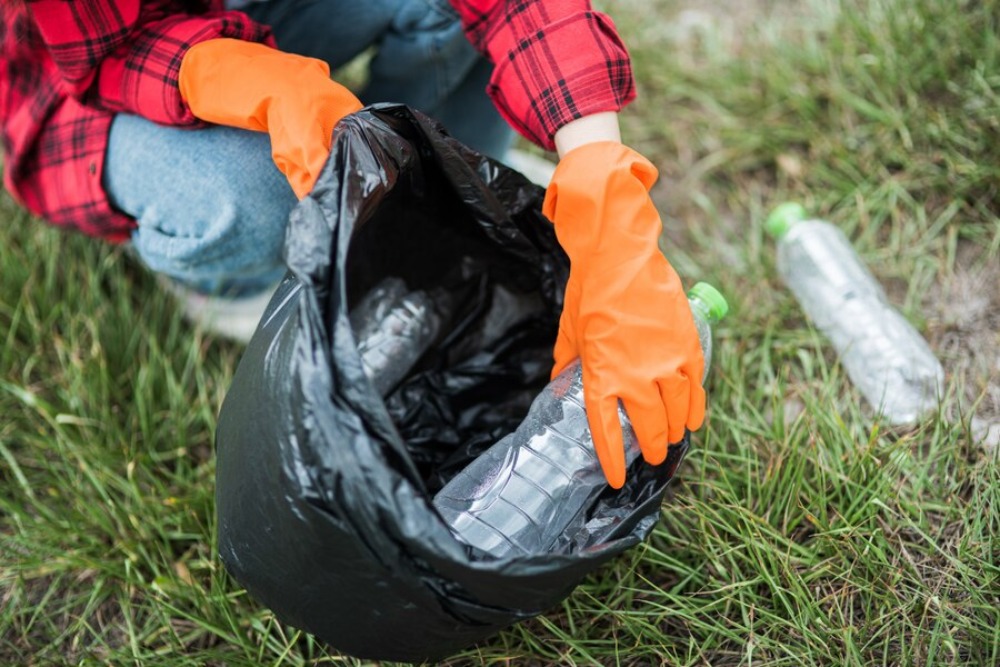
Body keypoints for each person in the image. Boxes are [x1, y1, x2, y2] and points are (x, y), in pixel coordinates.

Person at [0, 0, 705, 489]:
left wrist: (602, 180)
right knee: (250, 190)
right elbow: (110, 47)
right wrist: (249, 83)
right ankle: (230, 280)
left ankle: (436, 177)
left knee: (444, 12)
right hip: (89, 66)